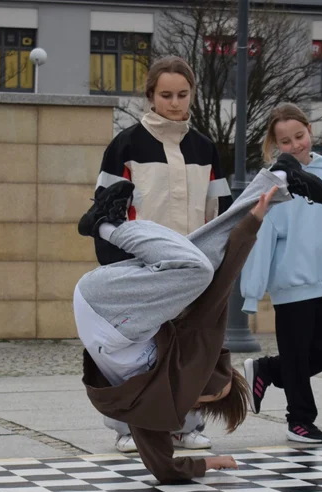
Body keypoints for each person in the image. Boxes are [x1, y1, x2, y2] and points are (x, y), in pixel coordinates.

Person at [74, 155, 322, 483]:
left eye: (212, 397)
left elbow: (163, 466)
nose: (208, 391)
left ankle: (107, 225)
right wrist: (252, 223)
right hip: (114, 304)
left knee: (199, 267)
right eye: (219, 390)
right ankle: (278, 179)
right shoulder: (192, 361)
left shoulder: (158, 403)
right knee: (202, 260)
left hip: (110, 312)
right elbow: (221, 287)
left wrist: (208, 464)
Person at [90, 55, 230, 455]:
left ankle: (187, 425)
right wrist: (114, 268)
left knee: (188, 350)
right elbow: (104, 211)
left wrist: (218, 263)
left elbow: (218, 211)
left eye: (182, 94)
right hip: (140, 267)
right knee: (136, 352)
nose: (174, 102)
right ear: (150, 96)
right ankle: (126, 427)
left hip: (193, 268)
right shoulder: (125, 146)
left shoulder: (205, 148)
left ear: (193, 95)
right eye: (165, 95)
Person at [240, 103, 322, 444]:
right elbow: (261, 239)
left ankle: (268, 370)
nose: (296, 145)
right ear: (275, 146)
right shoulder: (271, 183)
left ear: (310, 131)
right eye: (285, 142)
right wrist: (253, 291)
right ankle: (299, 421)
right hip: (290, 283)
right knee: (297, 350)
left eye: (299, 136)